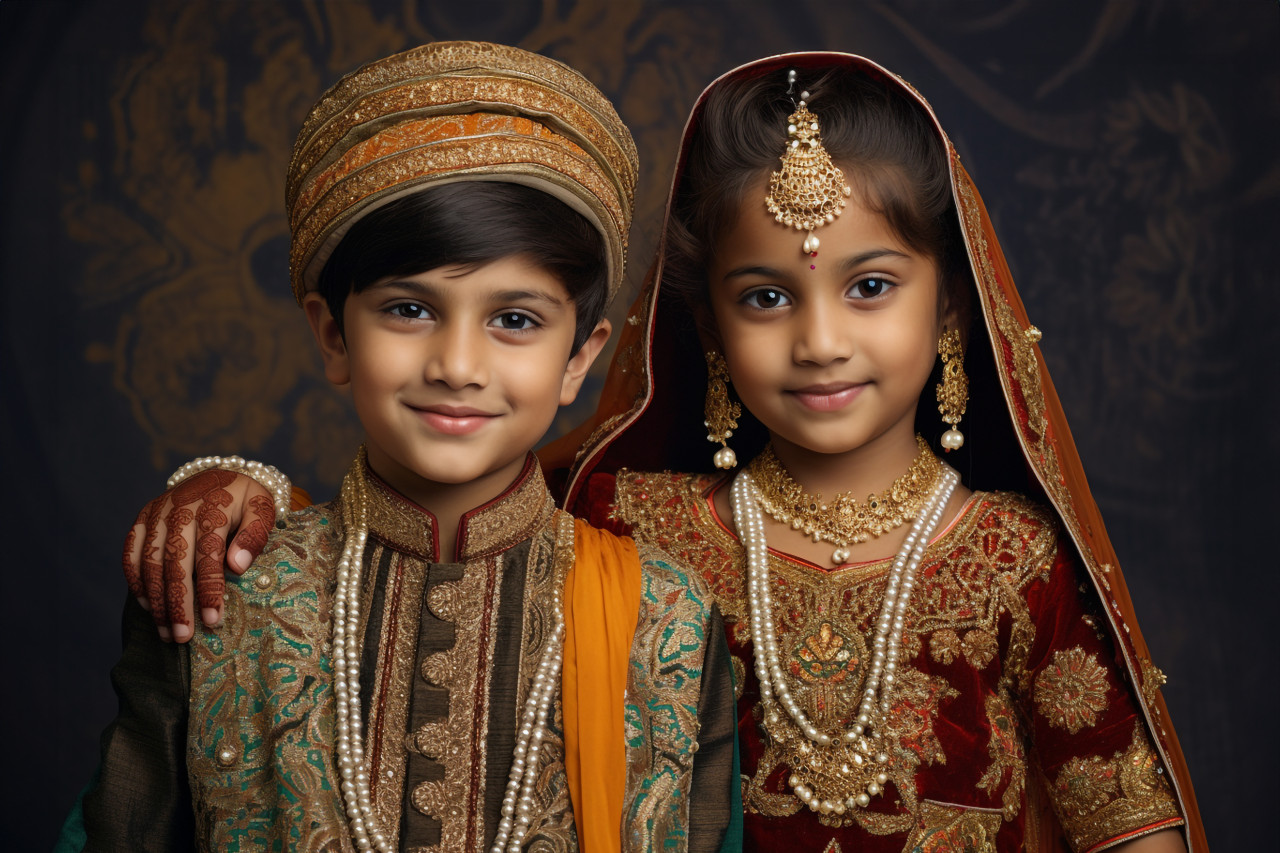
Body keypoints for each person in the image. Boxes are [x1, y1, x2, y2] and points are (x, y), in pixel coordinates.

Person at [122, 53, 1207, 852]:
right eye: (766, 295)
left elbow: (1122, 825)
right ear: (708, 328)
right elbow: (440, 516)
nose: (820, 339)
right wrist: (243, 488)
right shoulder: (631, 520)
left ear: (951, 312)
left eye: (869, 286)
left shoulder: (1013, 556)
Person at [70, 41, 737, 853]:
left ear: (579, 359)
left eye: (515, 320)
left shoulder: (665, 619)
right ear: (332, 335)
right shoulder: (222, 594)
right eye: (409, 310)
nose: (457, 365)